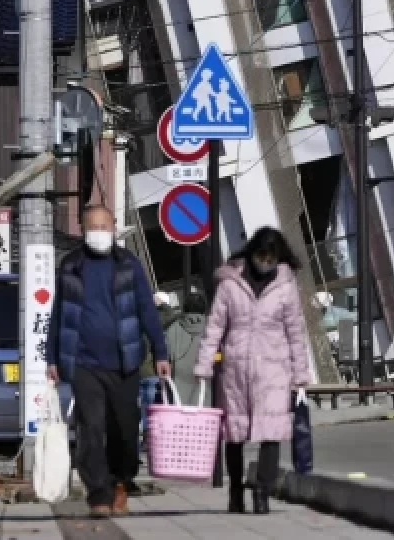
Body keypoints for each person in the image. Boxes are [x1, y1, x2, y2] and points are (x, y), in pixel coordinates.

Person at [47, 206, 171, 518]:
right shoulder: (71, 266)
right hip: (84, 362)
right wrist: (52, 357)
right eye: (93, 226)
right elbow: (58, 315)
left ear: (113, 228)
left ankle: (121, 482)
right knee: (91, 429)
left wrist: (160, 350)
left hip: (125, 361)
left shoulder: (128, 265)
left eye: (104, 226)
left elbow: (146, 309)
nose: (99, 231)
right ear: (83, 229)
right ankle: (98, 493)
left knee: (125, 430)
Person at [194, 227, 311, 515]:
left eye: (271, 257)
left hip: (274, 367)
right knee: (234, 432)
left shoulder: (285, 286)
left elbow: (296, 331)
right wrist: (205, 362)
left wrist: (300, 373)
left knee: (271, 433)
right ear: (251, 252)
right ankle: (235, 490)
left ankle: (262, 491)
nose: (265, 262)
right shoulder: (229, 284)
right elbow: (215, 326)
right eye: (261, 255)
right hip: (236, 367)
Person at [138, 292, 180, 448]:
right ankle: (152, 438)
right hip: (153, 371)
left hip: (140, 370)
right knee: (155, 407)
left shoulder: (140, 319)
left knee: (143, 409)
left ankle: (144, 438)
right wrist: (163, 305)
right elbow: (172, 315)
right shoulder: (159, 322)